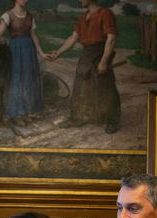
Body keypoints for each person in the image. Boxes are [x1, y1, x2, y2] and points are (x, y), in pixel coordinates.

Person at [47, 0, 121, 133]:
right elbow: (73, 38)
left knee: (106, 87)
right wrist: (58, 53)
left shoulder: (105, 13)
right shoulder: (83, 17)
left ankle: (113, 121)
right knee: (80, 85)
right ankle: (76, 118)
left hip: (100, 53)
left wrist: (104, 61)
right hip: (86, 54)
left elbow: (111, 39)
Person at [0, 0, 46, 126]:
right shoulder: (8, 15)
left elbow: (34, 36)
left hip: (29, 51)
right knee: (17, 80)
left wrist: (41, 53)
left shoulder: (30, 16)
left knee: (27, 80)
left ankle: (25, 112)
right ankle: (15, 114)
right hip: (15, 51)